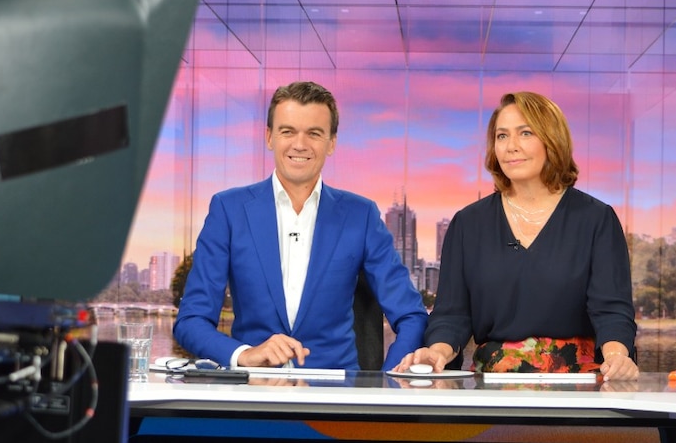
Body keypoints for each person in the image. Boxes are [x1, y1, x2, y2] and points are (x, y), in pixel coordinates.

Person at [174, 80, 427, 370]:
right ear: (269, 137)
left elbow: (411, 315)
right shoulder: (228, 210)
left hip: (336, 402)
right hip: (253, 396)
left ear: (331, 143)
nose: (300, 144)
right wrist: (244, 355)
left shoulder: (362, 216)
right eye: (288, 131)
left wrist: (388, 384)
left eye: (314, 134)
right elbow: (191, 321)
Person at [395, 91, 639, 381]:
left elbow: (611, 310)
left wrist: (617, 357)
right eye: (501, 136)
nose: (511, 147)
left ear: (552, 140)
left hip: (579, 385)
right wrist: (437, 351)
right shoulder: (468, 224)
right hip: (491, 387)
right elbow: (452, 315)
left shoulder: (596, 219)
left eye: (525, 133)